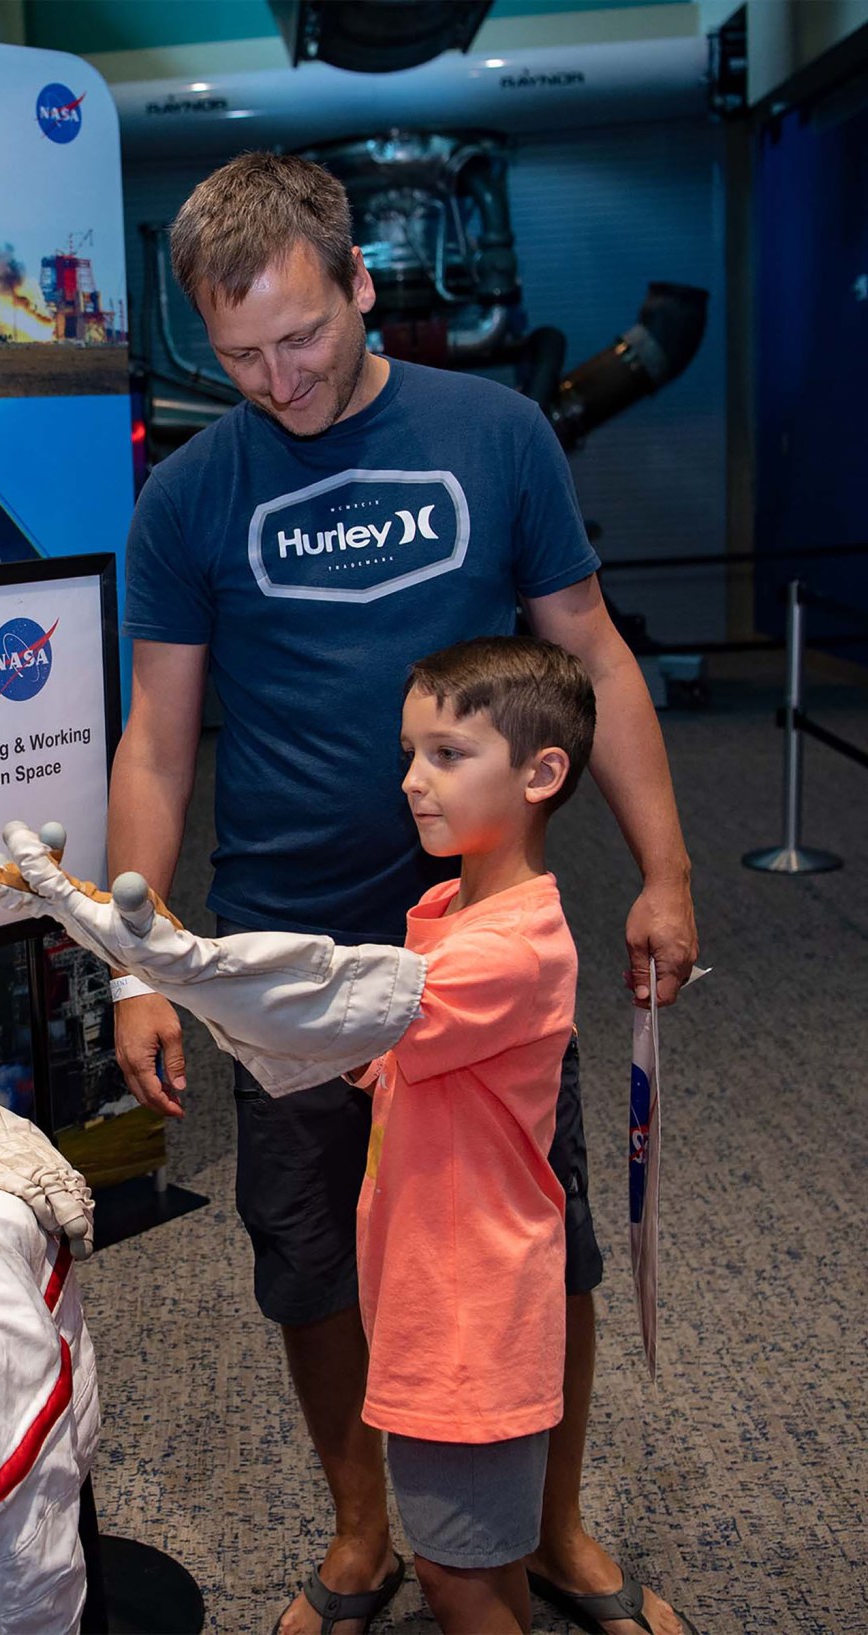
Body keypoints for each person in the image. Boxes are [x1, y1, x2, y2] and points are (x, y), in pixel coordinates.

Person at [111, 152, 697, 1635]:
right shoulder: (188, 496)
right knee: (312, 1255)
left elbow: (598, 659)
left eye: (303, 335)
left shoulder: (493, 436)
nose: (280, 378)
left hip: (483, 948)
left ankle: (550, 1525)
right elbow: (157, 741)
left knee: (530, 1243)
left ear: (361, 279)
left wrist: (669, 870)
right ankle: (363, 1526)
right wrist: (140, 962)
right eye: (238, 356)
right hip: (286, 961)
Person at [350, 636, 592, 1632]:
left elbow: (331, 1022)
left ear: (539, 774)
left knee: (459, 1577)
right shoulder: (446, 909)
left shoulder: (506, 950)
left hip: (467, 1318)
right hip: (430, 1292)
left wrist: (164, 962)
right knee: (459, 1552)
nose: (412, 781)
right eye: (408, 753)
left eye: (446, 755)